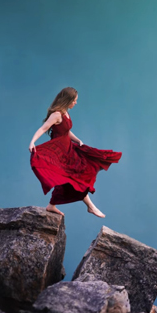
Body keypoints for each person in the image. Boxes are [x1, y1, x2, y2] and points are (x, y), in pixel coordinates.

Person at [29, 87, 122, 218]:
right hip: (60, 153)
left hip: (70, 150)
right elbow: (43, 128)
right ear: (68, 100)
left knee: (87, 168)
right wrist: (32, 142)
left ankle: (53, 205)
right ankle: (90, 206)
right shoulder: (56, 115)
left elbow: (65, 131)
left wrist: (78, 140)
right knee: (72, 179)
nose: (76, 103)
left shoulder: (65, 112)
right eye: (74, 100)